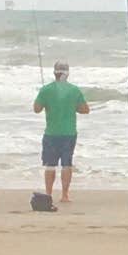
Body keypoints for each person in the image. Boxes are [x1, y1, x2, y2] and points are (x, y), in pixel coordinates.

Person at [32, 63, 89, 210]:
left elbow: (36, 109)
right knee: (66, 164)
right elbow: (85, 110)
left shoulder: (46, 90)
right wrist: (72, 106)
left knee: (50, 165)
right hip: (69, 133)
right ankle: (64, 195)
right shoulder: (74, 90)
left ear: (54, 73)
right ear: (67, 73)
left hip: (51, 133)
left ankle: (49, 193)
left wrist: (46, 100)